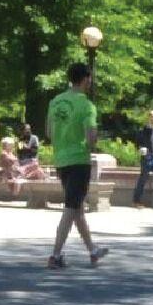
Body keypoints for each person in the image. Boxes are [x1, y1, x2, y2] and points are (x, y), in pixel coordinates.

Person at [45, 62, 107, 270]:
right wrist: (91, 144)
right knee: (71, 207)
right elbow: (91, 137)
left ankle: (93, 250)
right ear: (86, 79)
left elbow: (49, 131)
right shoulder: (86, 105)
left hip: (61, 159)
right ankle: (55, 254)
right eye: (90, 78)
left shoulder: (55, 101)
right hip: (79, 160)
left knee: (77, 206)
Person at [130, 106, 153, 208]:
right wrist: (141, 149)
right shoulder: (143, 130)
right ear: (149, 117)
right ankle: (136, 201)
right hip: (147, 158)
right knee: (143, 180)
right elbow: (137, 144)